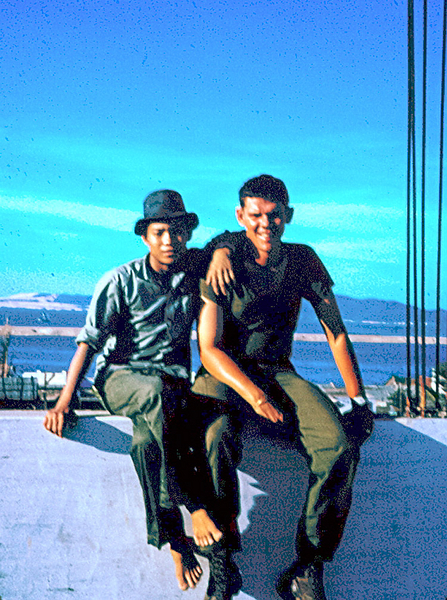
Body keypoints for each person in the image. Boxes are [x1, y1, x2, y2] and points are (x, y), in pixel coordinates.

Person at [44, 190, 242, 600]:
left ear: (186, 234)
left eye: (177, 232)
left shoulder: (193, 270)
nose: (169, 240)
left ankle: (186, 547)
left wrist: (221, 251)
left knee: (148, 443)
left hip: (170, 387)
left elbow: (232, 236)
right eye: (159, 232)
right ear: (145, 237)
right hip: (122, 378)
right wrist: (66, 399)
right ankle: (197, 511)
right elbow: (89, 342)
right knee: (155, 394)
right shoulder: (120, 280)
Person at [192, 174, 374, 600]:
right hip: (225, 373)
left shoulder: (304, 260)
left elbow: (336, 333)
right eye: (255, 215)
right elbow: (208, 348)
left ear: (288, 216)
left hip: (278, 373)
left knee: (338, 446)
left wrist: (359, 399)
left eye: (274, 216)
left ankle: (307, 565)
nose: (265, 224)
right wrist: (253, 396)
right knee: (213, 437)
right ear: (240, 216)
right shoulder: (224, 257)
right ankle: (222, 561)